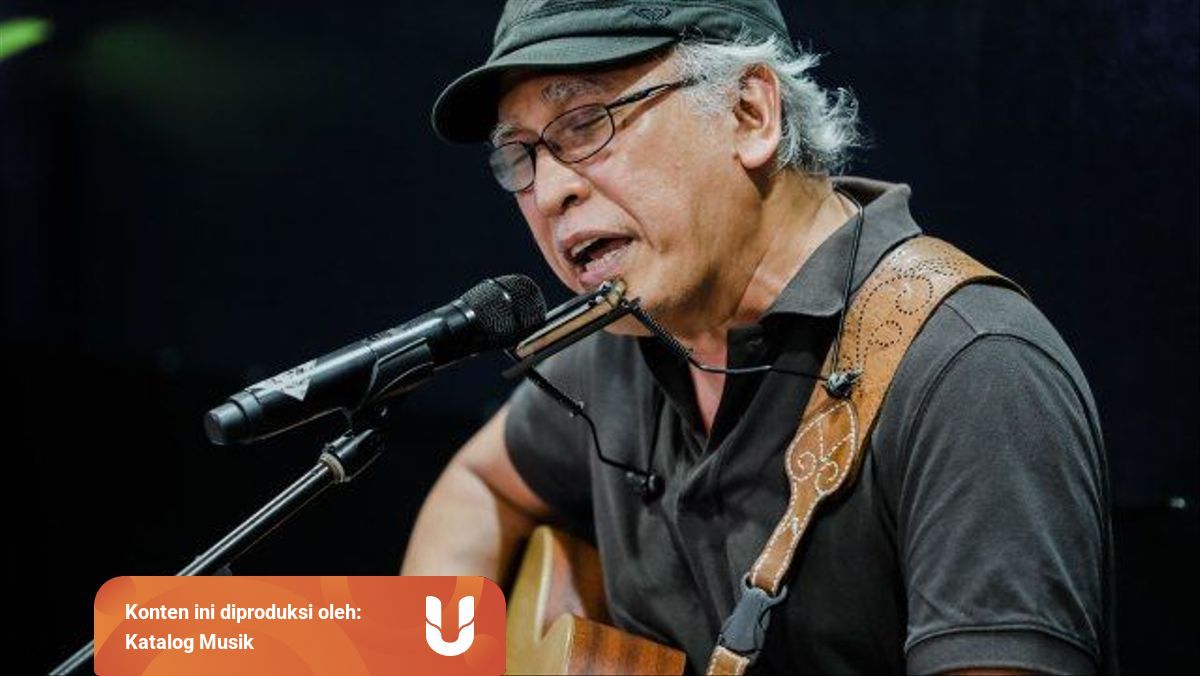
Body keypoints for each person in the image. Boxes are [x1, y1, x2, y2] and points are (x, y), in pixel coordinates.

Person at [402, 1, 1115, 673]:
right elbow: (476, 488)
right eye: (520, 154)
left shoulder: (971, 371)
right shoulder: (619, 347)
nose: (548, 190)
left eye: (587, 123)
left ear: (749, 113)